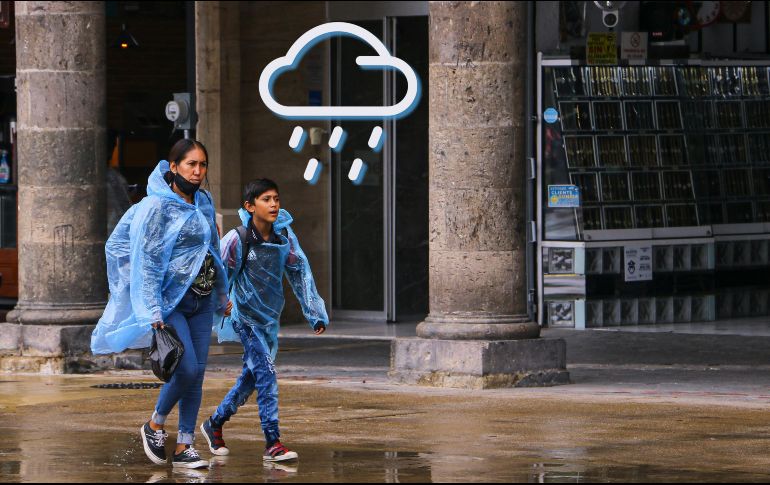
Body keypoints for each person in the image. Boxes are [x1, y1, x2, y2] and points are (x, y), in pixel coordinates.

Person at [91, 139, 228, 469]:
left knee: (197, 376)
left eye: (202, 165)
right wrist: (151, 307)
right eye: (190, 164)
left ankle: (184, 446)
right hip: (170, 303)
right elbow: (147, 260)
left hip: (203, 299)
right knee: (187, 367)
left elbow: (212, 250)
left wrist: (223, 293)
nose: (197, 172)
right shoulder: (157, 207)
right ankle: (154, 425)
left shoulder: (204, 202)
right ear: (174, 166)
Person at [199, 179, 328, 462]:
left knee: (252, 377)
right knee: (266, 375)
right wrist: (221, 303)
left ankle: (215, 422)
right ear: (250, 205)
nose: (273, 204)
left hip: (270, 319)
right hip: (245, 319)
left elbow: (300, 272)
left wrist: (314, 313)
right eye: (266, 199)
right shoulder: (238, 238)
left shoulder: (284, 237)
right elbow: (217, 273)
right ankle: (273, 442)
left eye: (276, 199)